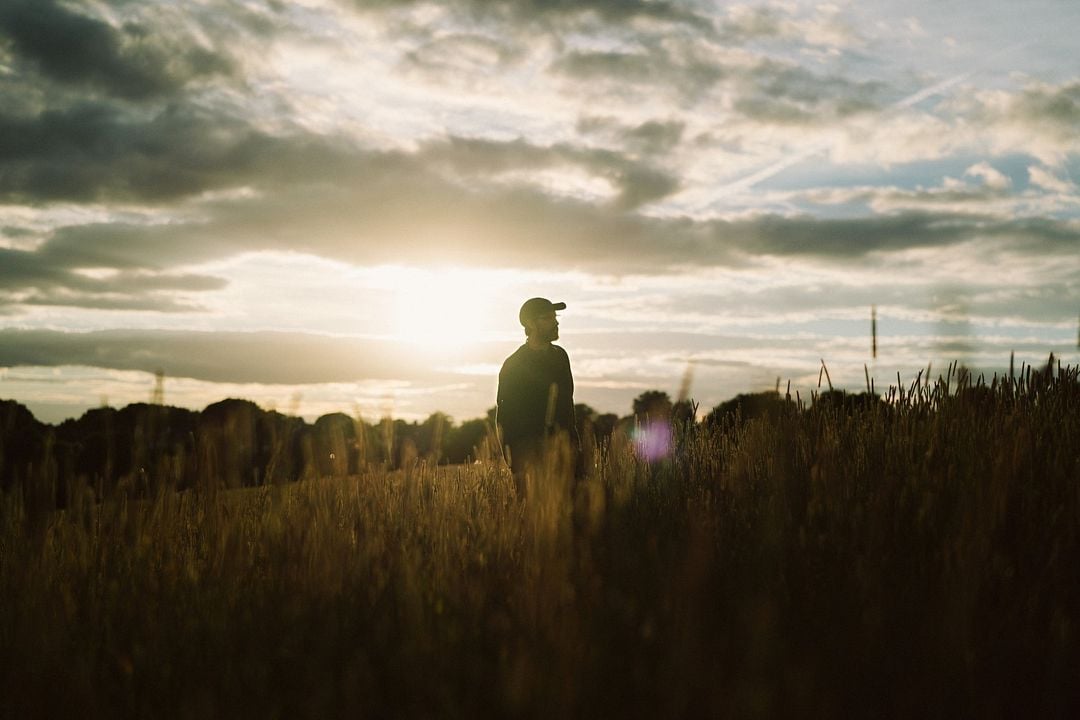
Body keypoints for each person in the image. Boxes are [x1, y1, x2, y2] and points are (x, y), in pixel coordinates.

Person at [497, 297, 579, 489]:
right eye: (547, 318)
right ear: (530, 323)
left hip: (564, 455)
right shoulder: (514, 365)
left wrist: (575, 450)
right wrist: (514, 464)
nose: (556, 322)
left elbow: (568, 406)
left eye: (555, 317)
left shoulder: (561, 356)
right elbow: (505, 417)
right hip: (530, 460)